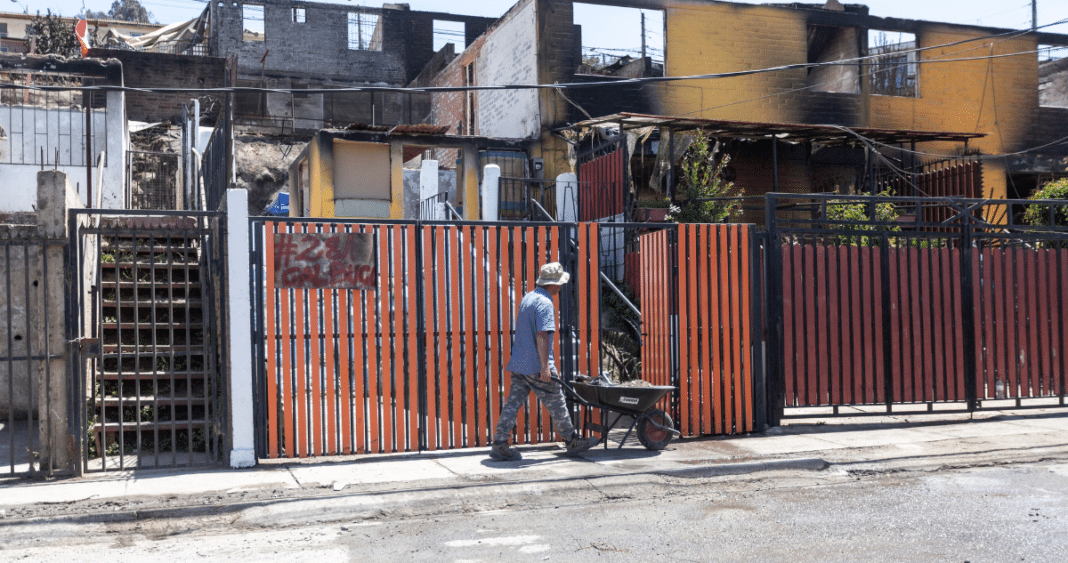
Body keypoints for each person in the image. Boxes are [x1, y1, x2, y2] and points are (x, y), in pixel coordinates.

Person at [489, 262, 599, 461]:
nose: (561, 286)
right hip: (535, 364)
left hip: (520, 362)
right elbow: (542, 336)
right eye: (560, 283)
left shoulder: (528, 298)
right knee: (556, 401)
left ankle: (499, 443)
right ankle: (572, 441)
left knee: (513, 403)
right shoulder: (545, 303)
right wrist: (545, 366)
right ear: (554, 284)